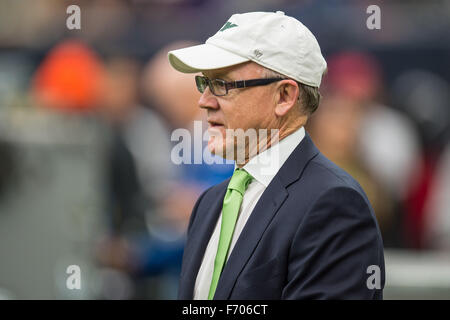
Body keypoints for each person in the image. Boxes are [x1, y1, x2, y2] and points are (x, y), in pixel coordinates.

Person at [167, 11, 385, 300]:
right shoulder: (209, 204)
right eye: (204, 83)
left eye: (222, 84)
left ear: (284, 96)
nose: (204, 101)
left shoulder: (334, 204)